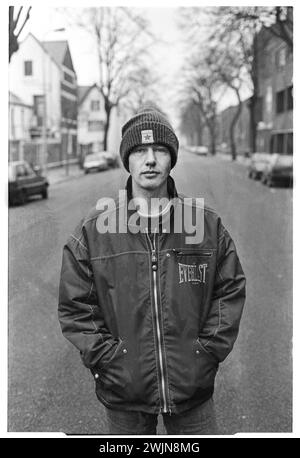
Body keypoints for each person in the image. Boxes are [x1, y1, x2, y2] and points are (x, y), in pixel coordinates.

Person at [58, 105, 246, 435]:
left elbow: (228, 290)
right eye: (140, 150)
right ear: (127, 160)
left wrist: (206, 353)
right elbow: (76, 307)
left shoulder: (205, 224)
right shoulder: (94, 230)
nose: (150, 159)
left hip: (192, 393)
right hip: (124, 394)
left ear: (171, 158)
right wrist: (108, 360)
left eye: (159, 149)